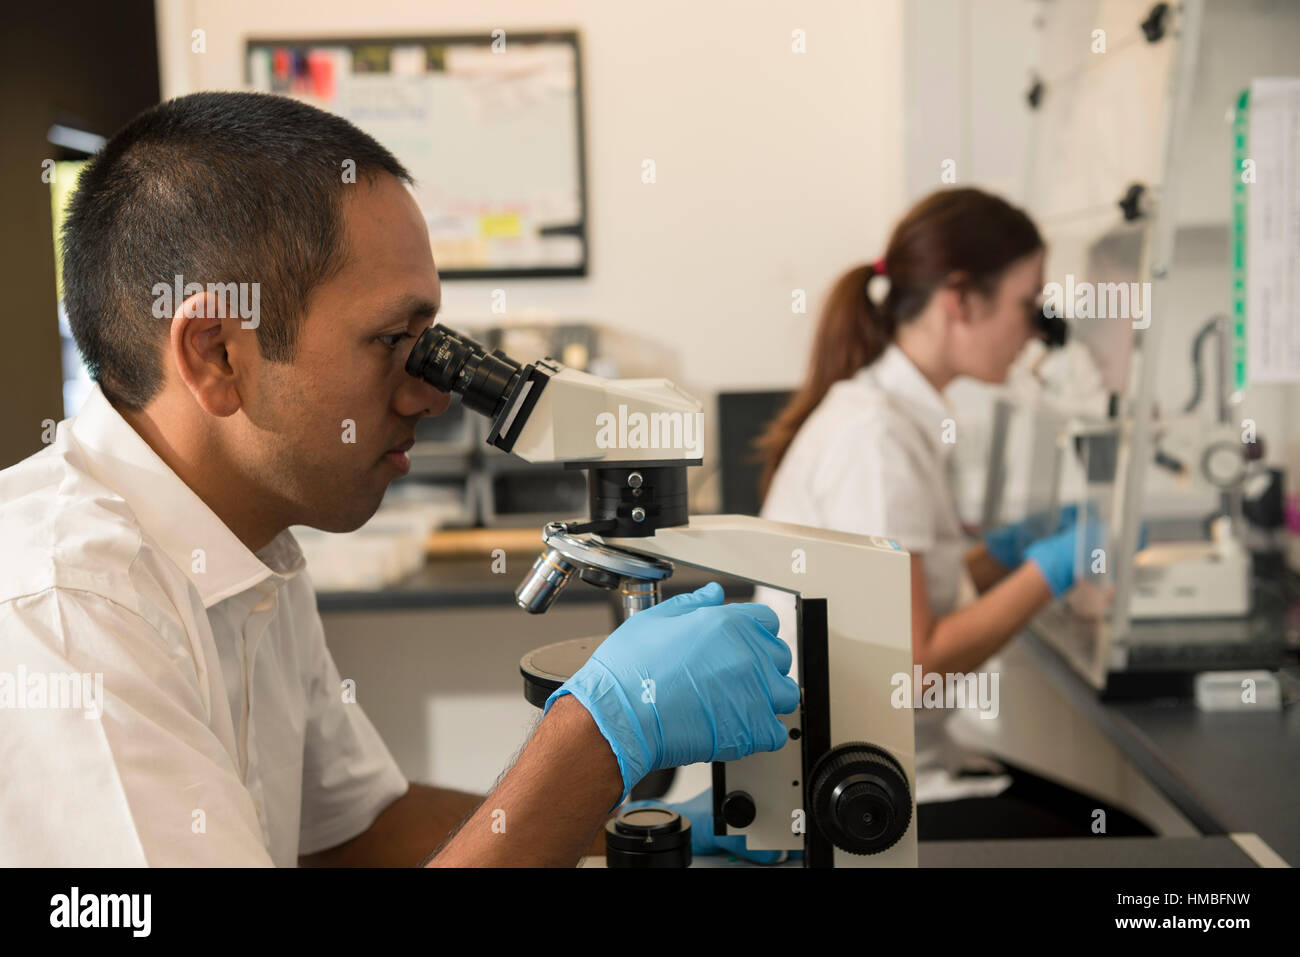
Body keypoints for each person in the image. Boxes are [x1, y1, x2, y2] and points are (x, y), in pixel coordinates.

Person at [0, 92, 800, 866]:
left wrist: (630, 837)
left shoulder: (251, 545)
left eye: (430, 342)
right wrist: (598, 735)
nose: (431, 392)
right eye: (391, 340)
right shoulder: (65, 614)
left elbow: (356, 831)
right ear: (217, 352)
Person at [747, 187, 1151, 839]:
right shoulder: (874, 439)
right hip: (856, 787)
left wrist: (1011, 552)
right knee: (1134, 849)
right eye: (1028, 304)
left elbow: (910, 598)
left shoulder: (888, 415)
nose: (1035, 329)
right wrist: (1056, 567)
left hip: (891, 759)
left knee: (1126, 834)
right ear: (960, 300)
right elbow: (918, 666)